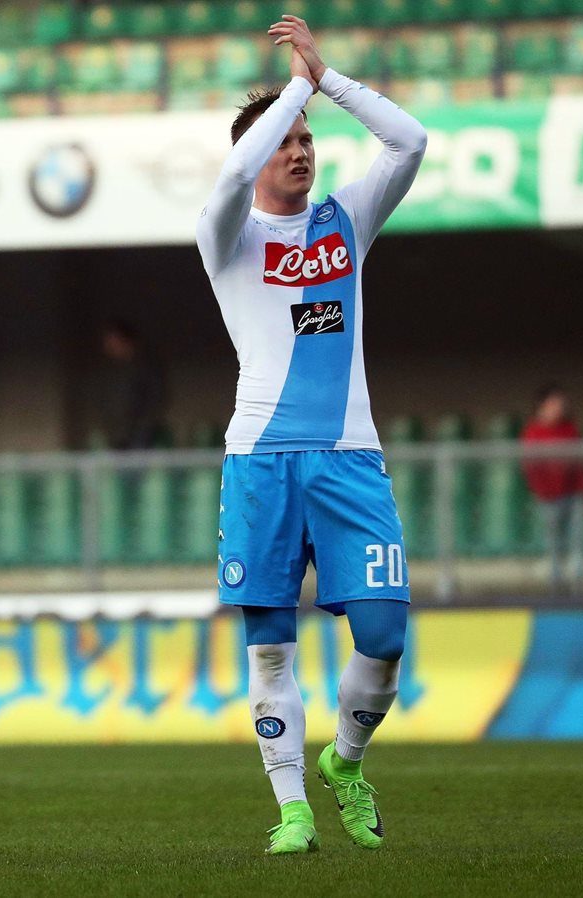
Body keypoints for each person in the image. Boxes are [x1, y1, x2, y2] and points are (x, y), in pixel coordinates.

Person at [196, 16, 426, 854]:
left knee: (385, 635)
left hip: (349, 457)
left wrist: (325, 80)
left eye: (307, 139)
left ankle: (346, 761)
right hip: (259, 458)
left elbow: (409, 141)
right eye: (283, 141)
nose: (301, 150)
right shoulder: (228, 238)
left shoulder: (348, 221)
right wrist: (291, 90)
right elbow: (228, 180)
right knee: (270, 648)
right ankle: (291, 808)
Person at [520, 385, 583, 595]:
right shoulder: (533, 432)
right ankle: (555, 582)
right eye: (553, 405)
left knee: (578, 538)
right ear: (542, 407)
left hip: (574, 494)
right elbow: (530, 467)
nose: (558, 409)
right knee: (553, 540)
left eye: (560, 405)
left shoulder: (570, 430)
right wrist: (541, 491)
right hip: (548, 496)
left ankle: (579, 580)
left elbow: (582, 464)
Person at [95, 319, 168, 450]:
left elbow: (155, 399)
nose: (108, 346)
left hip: (141, 435)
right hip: (115, 434)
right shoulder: (110, 370)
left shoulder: (146, 366)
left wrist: (143, 427)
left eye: (112, 341)